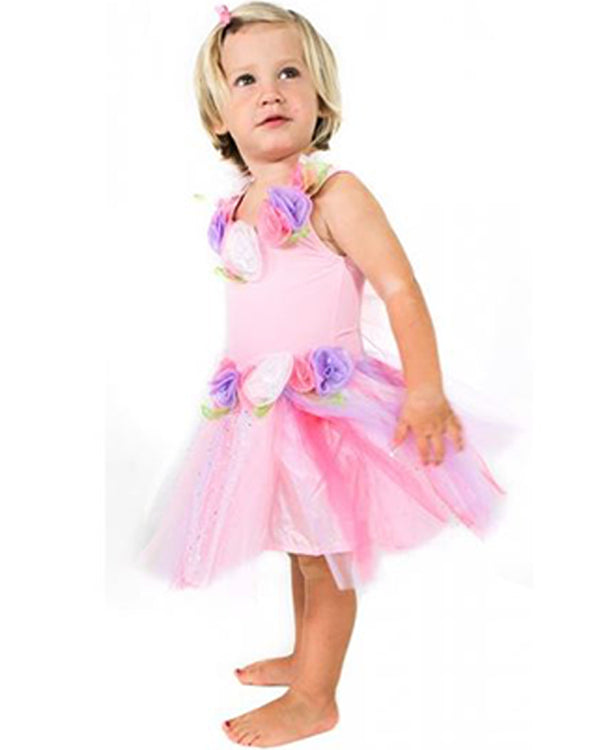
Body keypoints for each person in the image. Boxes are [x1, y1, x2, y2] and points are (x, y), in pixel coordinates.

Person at [137, 2, 507, 746]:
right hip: (260, 410)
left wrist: (426, 390)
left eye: (289, 73)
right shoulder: (237, 205)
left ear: (322, 97)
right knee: (298, 546)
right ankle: (307, 657)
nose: (270, 92)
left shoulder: (334, 195)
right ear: (218, 116)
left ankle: (316, 696)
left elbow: (400, 288)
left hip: (328, 411)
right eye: (245, 80)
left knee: (324, 556)